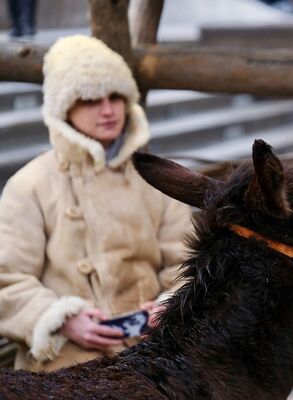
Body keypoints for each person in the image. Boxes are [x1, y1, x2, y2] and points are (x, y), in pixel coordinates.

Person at [0, 35, 192, 371]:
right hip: (65, 359)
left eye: (115, 96)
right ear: (65, 108)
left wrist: (168, 305)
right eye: (90, 99)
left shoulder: (155, 178)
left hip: (152, 349)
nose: (107, 110)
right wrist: (60, 320)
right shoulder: (29, 186)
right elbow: (7, 278)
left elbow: (187, 260)